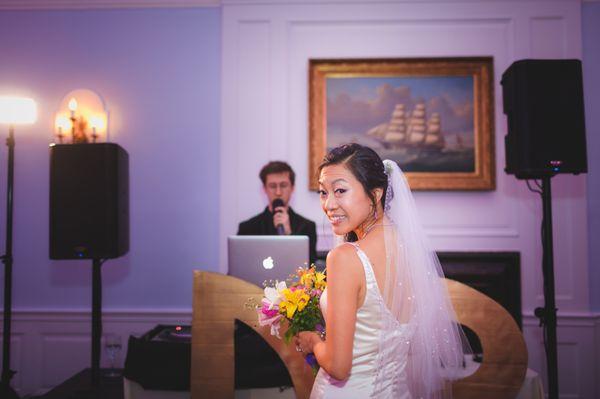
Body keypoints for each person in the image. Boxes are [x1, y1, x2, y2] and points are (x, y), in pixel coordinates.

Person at [295, 143, 466, 398]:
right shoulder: (410, 250)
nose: (328, 204)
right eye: (323, 192)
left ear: (375, 194)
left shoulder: (345, 257)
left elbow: (339, 367)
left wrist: (313, 341)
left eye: (340, 190)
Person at [238, 160, 318, 264]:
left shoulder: (307, 227)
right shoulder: (247, 227)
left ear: (292, 188)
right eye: (272, 186)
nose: (278, 192)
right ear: (264, 189)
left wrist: (289, 234)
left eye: (283, 185)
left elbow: (309, 268)